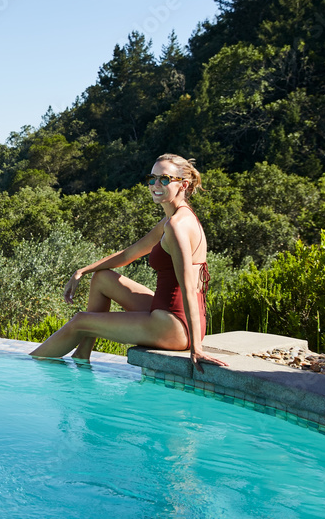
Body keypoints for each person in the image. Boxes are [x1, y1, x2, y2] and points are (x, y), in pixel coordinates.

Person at [29, 153, 228, 372]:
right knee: (102, 277)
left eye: (164, 179)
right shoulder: (173, 220)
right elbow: (128, 255)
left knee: (80, 321)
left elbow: (189, 288)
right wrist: (82, 271)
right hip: (167, 313)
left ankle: (27, 367)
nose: (155, 185)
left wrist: (196, 349)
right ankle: (82, 354)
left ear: (183, 184)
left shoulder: (177, 227)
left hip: (174, 327)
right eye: (152, 179)